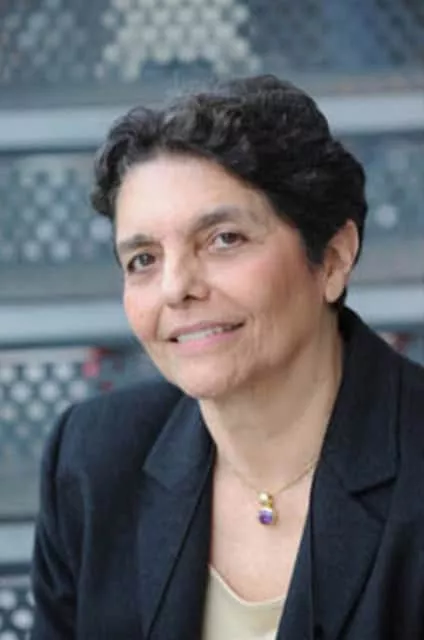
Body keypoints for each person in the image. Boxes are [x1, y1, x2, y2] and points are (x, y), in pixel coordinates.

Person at [30, 75, 424, 640]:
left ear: (334, 258)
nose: (176, 288)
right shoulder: (94, 462)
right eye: (143, 259)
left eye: (224, 239)